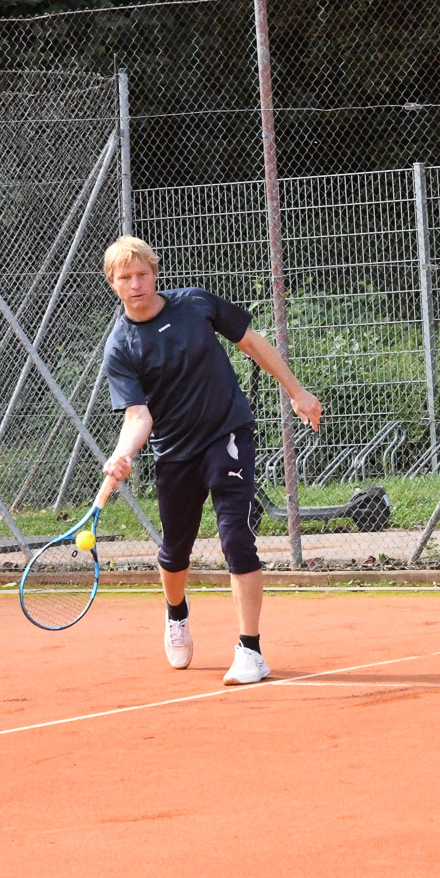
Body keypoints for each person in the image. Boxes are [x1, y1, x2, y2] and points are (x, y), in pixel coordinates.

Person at [99, 236, 321, 684]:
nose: (136, 284)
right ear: (113, 283)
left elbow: (252, 342)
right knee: (174, 552)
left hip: (226, 432)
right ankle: (176, 613)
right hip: (174, 450)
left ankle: (250, 650)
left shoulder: (195, 304)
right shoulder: (120, 346)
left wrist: (296, 391)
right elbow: (138, 416)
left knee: (236, 537)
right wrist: (123, 454)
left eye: (142, 274)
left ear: (154, 273)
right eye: (125, 278)